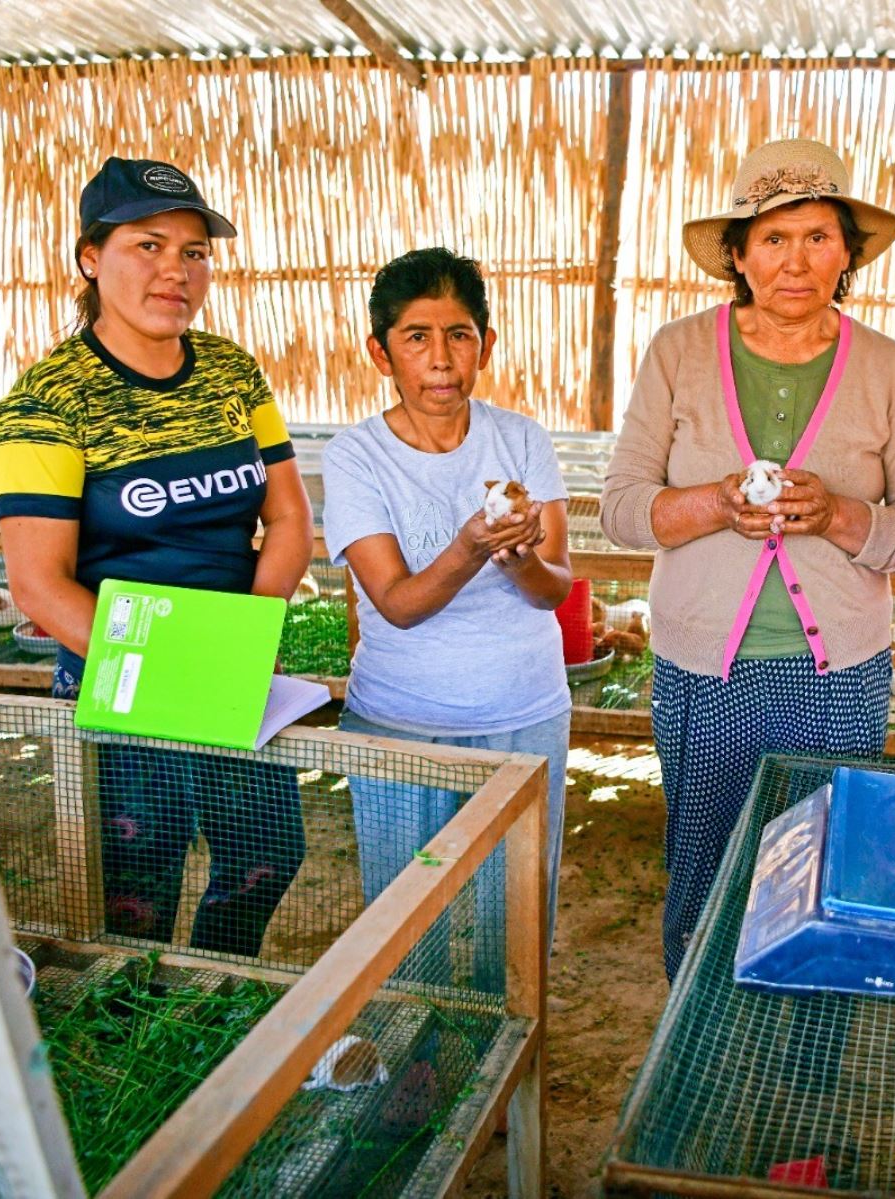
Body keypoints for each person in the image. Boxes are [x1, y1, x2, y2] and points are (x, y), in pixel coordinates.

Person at [602, 139, 895, 981]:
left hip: (838, 673)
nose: (796, 261)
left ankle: (804, 1070)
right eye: (774, 239)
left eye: (819, 236)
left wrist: (840, 515)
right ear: (739, 255)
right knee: (706, 876)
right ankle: (704, 1047)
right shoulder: (677, 353)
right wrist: (716, 500)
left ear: (848, 252)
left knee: (822, 880)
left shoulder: (891, 370)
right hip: (705, 669)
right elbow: (622, 510)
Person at [0, 157, 313, 957]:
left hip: (235, 667)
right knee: (136, 883)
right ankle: (133, 1028)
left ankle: (210, 997)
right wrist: (174, 672)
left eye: (195, 251)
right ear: (91, 257)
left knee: (267, 855)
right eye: (149, 245)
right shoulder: (46, 402)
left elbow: (290, 516)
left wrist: (242, 641)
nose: (176, 270)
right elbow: (37, 585)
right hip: (119, 671)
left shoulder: (233, 373)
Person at [322, 247, 572, 990]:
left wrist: (518, 555)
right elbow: (395, 604)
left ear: (486, 346)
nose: (441, 359)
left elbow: (554, 587)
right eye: (416, 337)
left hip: (524, 717)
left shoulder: (520, 438)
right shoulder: (356, 456)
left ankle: (504, 1102)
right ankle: (416, 1085)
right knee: (405, 933)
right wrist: (470, 546)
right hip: (402, 722)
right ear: (381, 351)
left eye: (460, 335)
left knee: (516, 930)